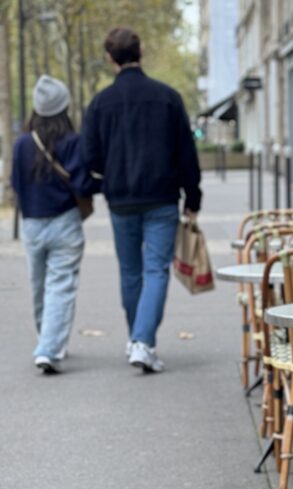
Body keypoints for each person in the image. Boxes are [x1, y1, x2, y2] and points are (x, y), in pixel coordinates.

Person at [81, 27, 202, 373]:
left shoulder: (100, 104)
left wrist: (112, 175)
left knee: (131, 271)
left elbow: (90, 157)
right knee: (155, 270)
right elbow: (186, 156)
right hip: (162, 198)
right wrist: (193, 198)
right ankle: (143, 341)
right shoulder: (168, 98)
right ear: (142, 51)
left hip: (120, 200)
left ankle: (138, 339)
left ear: (109, 58)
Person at [12, 76, 96, 374]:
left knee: (39, 286)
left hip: (33, 224)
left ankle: (47, 341)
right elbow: (83, 182)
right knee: (60, 285)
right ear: (64, 107)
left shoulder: (22, 143)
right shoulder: (73, 142)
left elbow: (16, 184)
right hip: (65, 221)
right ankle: (50, 345)